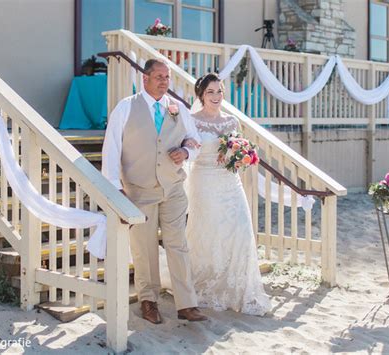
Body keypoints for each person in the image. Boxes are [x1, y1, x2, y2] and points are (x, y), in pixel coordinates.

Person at [101, 58, 208, 324]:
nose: (164, 81)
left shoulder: (178, 108)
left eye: (167, 77)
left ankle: (186, 303)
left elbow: (195, 141)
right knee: (144, 248)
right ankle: (148, 301)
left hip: (173, 189)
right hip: (139, 190)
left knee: (178, 245)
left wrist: (185, 151)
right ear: (145, 78)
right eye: (159, 76)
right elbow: (111, 148)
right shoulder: (126, 108)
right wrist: (115, 188)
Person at [185, 73, 271, 315]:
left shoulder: (232, 122)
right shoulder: (192, 121)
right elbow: (186, 149)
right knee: (207, 232)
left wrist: (240, 155)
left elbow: (240, 151)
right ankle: (206, 281)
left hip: (230, 181)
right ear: (201, 95)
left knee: (241, 229)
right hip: (204, 181)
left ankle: (238, 285)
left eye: (219, 91)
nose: (215, 96)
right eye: (210, 92)